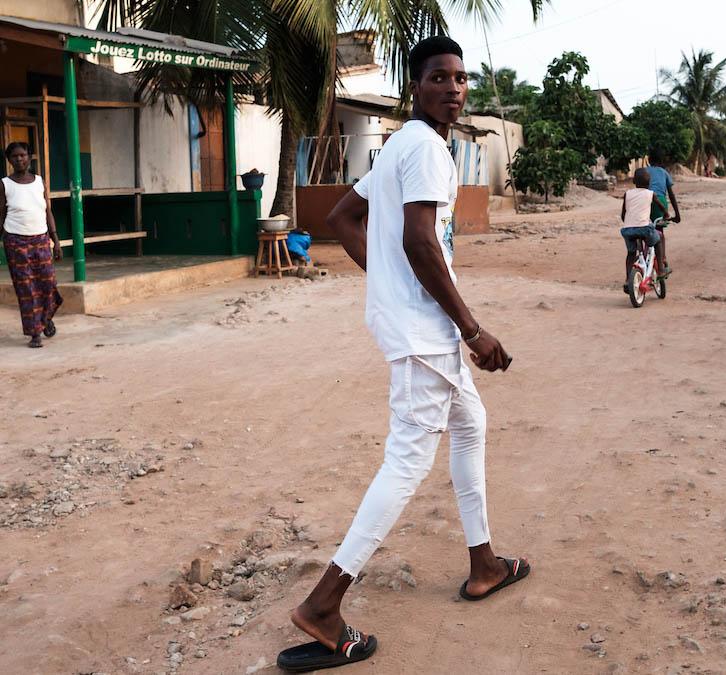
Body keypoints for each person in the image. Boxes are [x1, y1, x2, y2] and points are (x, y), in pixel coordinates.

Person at [278, 36, 527, 673]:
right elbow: (421, 241)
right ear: (414, 86)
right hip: (427, 336)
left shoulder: (400, 147)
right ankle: (325, 604)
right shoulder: (427, 151)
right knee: (406, 465)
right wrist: (473, 331)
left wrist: (384, 284)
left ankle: (484, 563)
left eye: (462, 78)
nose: (454, 88)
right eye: (439, 78)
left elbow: (340, 218)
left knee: (471, 425)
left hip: (415, 326)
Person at [1, 142, 62, 348]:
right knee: (26, 287)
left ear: (29, 157)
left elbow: (47, 211)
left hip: (41, 239)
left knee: (48, 283)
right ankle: (34, 332)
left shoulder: (39, 181)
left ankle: (45, 317)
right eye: (15, 156)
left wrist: (56, 240)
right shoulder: (5, 184)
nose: (19, 159)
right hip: (15, 241)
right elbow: (1, 215)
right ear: (9, 160)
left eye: (23, 155)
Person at [620, 168, 669, 293]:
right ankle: (661, 270)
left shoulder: (627, 194)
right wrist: (666, 214)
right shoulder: (650, 194)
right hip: (644, 228)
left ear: (634, 181)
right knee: (658, 239)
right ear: (649, 183)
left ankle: (627, 279)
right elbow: (660, 206)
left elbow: (623, 215)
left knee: (631, 254)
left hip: (627, 229)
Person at [646, 149, 681, 277]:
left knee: (644, 226)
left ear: (649, 160)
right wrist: (677, 214)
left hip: (645, 199)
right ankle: (663, 258)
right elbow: (671, 195)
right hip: (659, 202)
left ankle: (644, 255)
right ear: (661, 161)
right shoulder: (664, 173)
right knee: (659, 231)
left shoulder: (645, 171)